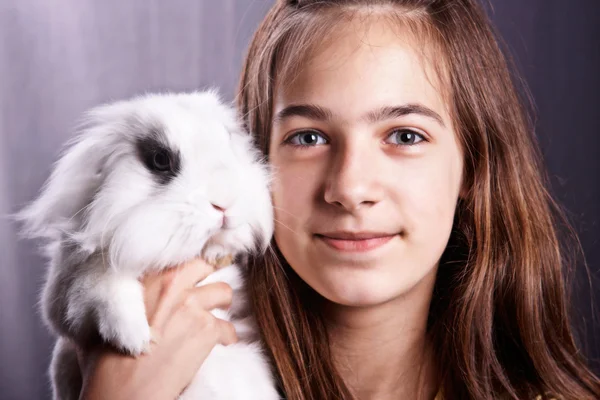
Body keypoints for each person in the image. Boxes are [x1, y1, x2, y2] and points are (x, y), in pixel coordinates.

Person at [76, 0, 600, 399]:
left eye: (405, 135)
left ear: (473, 164)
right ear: (253, 161)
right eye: (308, 137)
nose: (349, 189)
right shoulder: (141, 349)